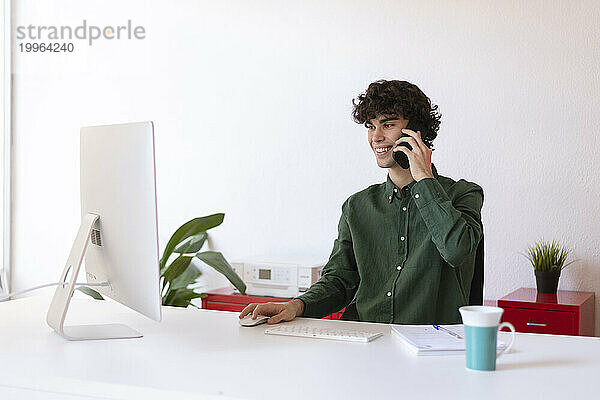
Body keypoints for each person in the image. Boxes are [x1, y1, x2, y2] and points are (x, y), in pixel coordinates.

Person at [239, 80, 484, 325]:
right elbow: (339, 280)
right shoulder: (357, 206)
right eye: (370, 126)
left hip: (432, 350)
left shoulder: (463, 194)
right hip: (364, 342)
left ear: (417, 131)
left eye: (388, 125)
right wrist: (296, 305)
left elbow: (456, 250)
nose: (376, 137)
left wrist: (424, 180)